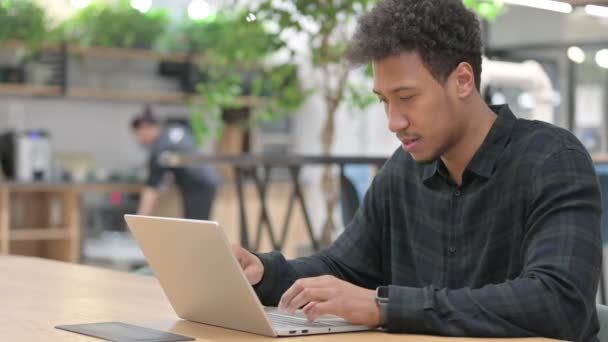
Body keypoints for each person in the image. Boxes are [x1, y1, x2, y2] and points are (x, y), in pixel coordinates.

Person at [230, 0, 603, 340]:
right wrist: (264, 273)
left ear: (462, 81)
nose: (394, 121)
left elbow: (559, 302)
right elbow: (341, 267)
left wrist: (385, 306)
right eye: (383, 101)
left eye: (407, 98)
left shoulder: (553, 160)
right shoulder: (402, 173)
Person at [131, 106, 219, 220]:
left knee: (196, 225)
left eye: (139, 133)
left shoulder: (160, 149)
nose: (139, 138)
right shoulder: (175, 130)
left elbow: (151, 188)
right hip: (207, 178)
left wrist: (139, 219)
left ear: (147, 129)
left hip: (198, 185)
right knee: (196, 223)